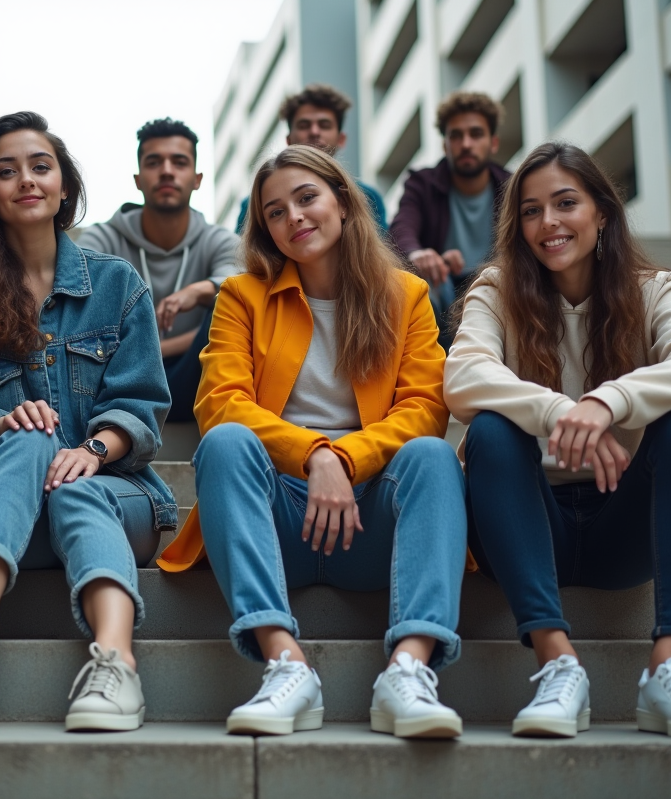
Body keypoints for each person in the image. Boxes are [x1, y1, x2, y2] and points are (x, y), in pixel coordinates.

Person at [159, 145, 468, 739]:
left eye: (307, 198)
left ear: (344, 204)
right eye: (275, 212)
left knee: (432, 456)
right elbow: (221, 401)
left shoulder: (405, 296)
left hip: (370, 517)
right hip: (278, 517)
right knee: (224, 443)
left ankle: (407, 670)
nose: (294, 218)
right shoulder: (242, 296)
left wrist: (346, 457)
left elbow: (426, 409)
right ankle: (285, 665)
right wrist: (315, 453)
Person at [445, 141, 671, 740]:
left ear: (602, 212)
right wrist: (559, 412)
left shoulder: (650, 287)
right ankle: (557, 665)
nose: (547, 223)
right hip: (526, 524)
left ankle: (670, 667)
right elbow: (464, 376)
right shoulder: (496, 289)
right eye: (530, 210)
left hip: (621, 526)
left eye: (565, 203)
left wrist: (610, 402)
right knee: (492, 432)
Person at [0, 112, 176, 732]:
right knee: (32, 437)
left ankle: (116, 663)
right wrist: (3, 425)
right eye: (6, 171)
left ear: (64, 187)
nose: (26, 180)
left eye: (41, 166)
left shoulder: (117, 287)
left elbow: (142, 407)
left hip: (117, 499)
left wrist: (93, 446)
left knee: (76, 484)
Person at [78, 118, 240, 423]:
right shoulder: (105, 238)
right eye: (154, 162)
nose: (167, 170)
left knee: (230, 302)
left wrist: (200, 290)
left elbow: (241, 292)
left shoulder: (219, 241)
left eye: (179, 162)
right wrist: (158, 348)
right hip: (119, 378)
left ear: (197, 179)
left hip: (195, 378)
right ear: (138, 180)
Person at [389, 91, 511, 346]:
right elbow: (402, 228)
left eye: (476, 134)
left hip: (499, 285)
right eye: (456, 135)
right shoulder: (422, 183)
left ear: (494, 143)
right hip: (442, 288)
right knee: (420, 290)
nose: (466, 144)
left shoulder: (512, 187)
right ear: (445, 144)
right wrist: (418, 254)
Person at [236, 84, 386, 235]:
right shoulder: (254, 204)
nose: (314, 132)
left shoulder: (368, 197)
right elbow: (244, 255)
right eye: (304, 125)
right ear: (288, 140)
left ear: (341, 139)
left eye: (324, 125)